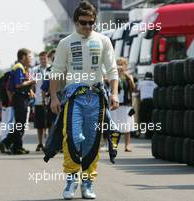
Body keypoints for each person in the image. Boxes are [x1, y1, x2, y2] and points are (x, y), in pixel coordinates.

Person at [49, 1, 119, 199]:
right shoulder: (65, 42)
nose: (88, 27)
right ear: (75, 22)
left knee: (92, 141)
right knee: (70, 137)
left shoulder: (104, 40)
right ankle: (71, 181)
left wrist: (114, 93)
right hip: (74, 98)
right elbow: (56, 71)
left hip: (96, 97)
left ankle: (87, 182)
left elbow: (113, 70)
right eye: (83, 23)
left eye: (91, 23)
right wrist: (54, 97)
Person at [1, 48, 36, 155]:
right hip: (19, 99)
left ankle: (17, 147)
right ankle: (5, 142)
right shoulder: (19, 68)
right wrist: (32, 81)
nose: (32, 59)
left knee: (21, 124)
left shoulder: (23, 68)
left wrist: (30, 90)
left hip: (23, 98)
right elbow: (18, 85)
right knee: (20, 124)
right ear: (24, 57)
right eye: (30, 56)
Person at [110, 58, 136, 152]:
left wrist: (127, 76)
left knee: (127, 126)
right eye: (118, 64)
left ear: (125, 65)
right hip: (116, 104)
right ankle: (114, 145)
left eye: (121, 64)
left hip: (126, 104)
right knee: (114, 126)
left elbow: (133, 87)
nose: (119, 66)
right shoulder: (113, 76)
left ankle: (127, 145)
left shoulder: (129, 76)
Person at [31, 51, 50, 151]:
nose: (43, 60)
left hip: (49, 99)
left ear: (48, 58)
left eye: (45, 58)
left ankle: (49, 143)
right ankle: (40, 143)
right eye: (41, 58)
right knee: (39, 124)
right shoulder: (35, 70)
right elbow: (31, 84)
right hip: (38, 100)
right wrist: (32, 94)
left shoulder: (52, 69)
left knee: (49, 123)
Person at [0, 71, 14, 153]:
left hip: (4, 105)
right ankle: (6, 142)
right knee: (10, 124)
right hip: (10, 105)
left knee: (4, 124)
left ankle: (3, 139)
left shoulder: (1, 81)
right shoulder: (9, 81)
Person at [137, 72, 157, 138]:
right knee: (150, 118)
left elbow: (137, 91)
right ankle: (150, 134)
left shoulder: (141, 83)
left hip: (144, 102)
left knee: (143, 118)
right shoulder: (155, 83)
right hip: (152, 102)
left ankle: (142, 133)